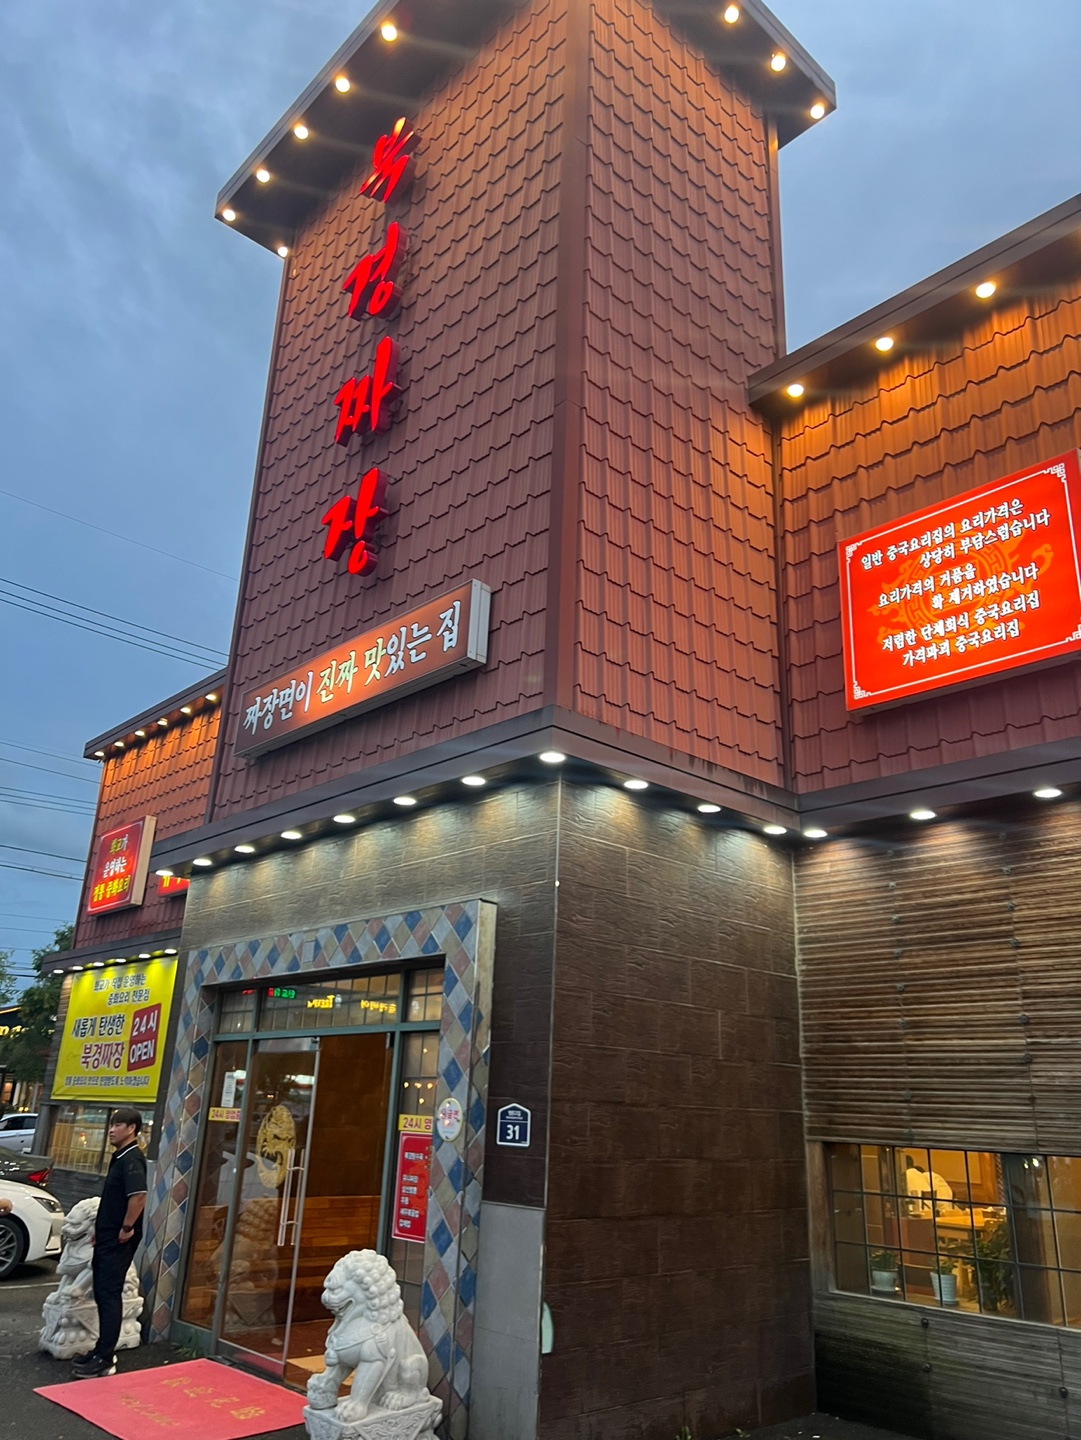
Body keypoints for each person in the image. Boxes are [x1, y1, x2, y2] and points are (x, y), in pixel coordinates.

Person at [71, 1107, 147, 1379]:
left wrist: (126, 1227)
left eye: (118, 1125)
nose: (111, 1130)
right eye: (111, 1125)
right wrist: (99, 1228)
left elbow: (138, 1196)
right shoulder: (120, 1156)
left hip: (119, 1238)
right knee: (102, 1293)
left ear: (132, 1129)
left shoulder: (133, 1158)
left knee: (109, 1293)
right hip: (107, 1235)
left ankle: (105, 1358)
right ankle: (100, 1349)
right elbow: (113, 1199)